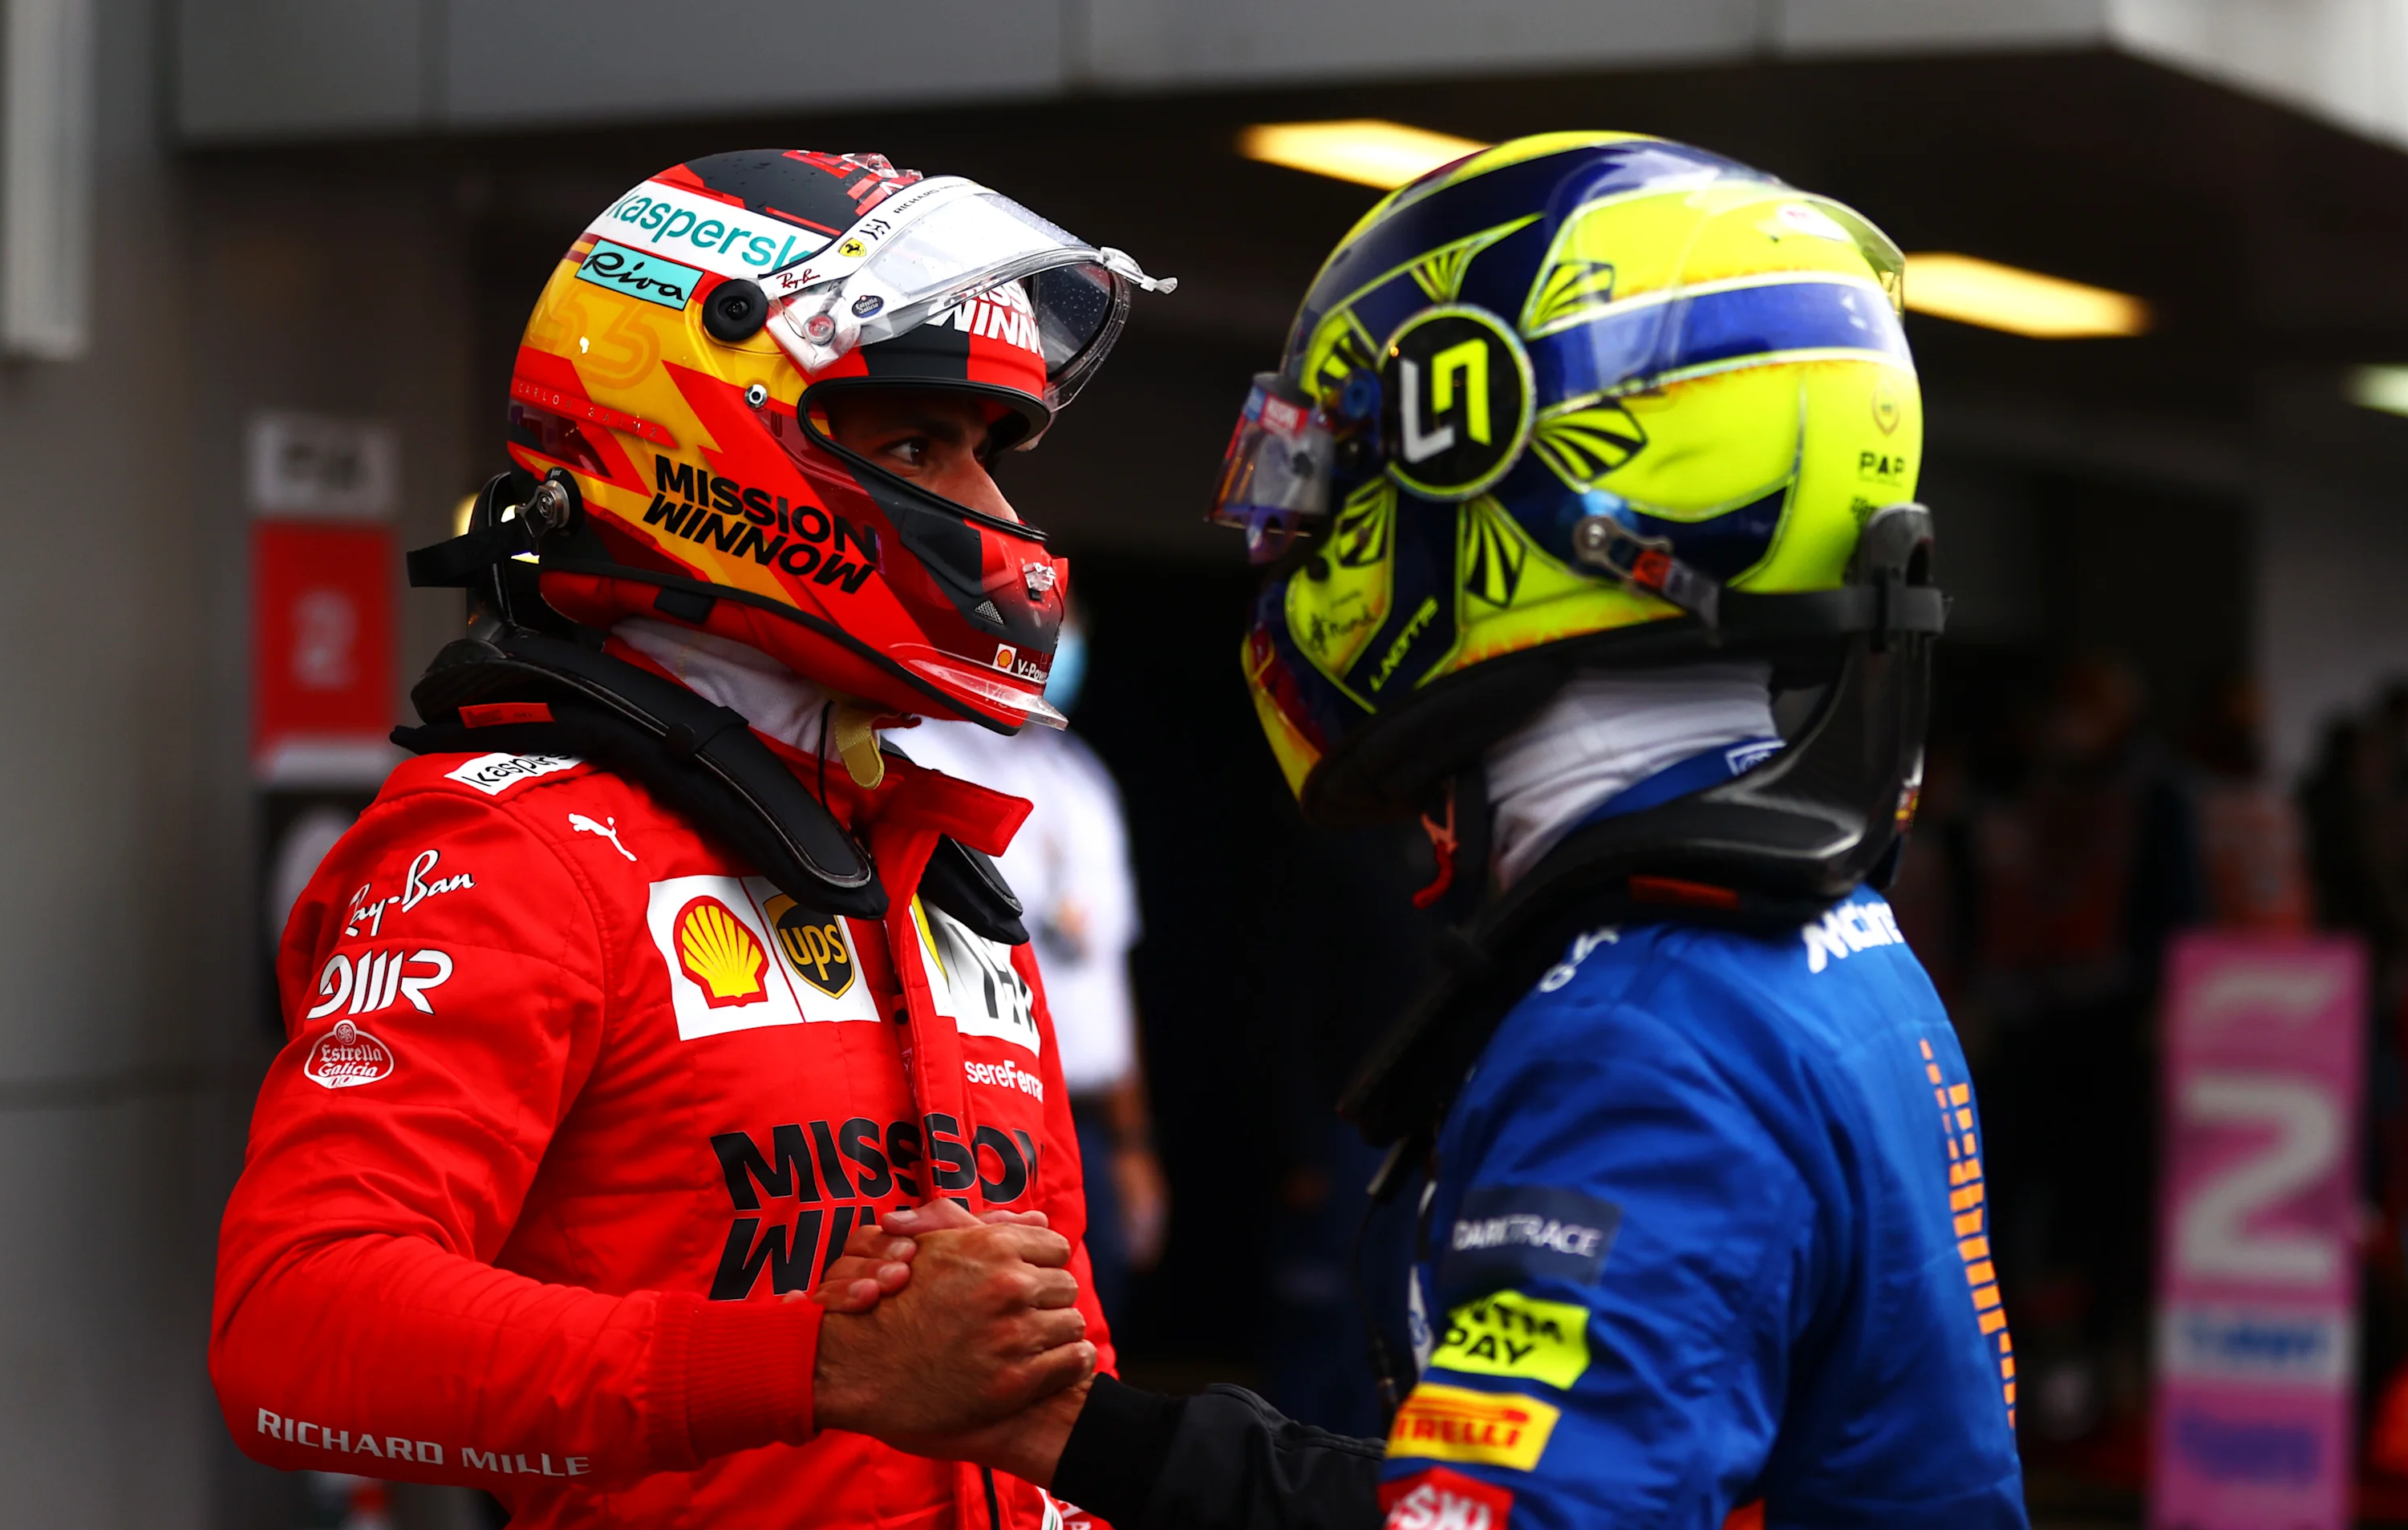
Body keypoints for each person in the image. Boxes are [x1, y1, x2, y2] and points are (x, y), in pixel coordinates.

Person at [823, 133, 2028, 1528]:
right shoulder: (1811, 944)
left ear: (1494, 472)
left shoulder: (1638, 1033)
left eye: (1329, 476)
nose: (1287, 536)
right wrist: (1081, 1430)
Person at [208, 148, 1174, 1528]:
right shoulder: (517, 853)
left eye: (990, 453)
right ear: (701, 446)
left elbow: (1046, 1394)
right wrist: (816, 1364)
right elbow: (293, 1332)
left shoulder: (943, 872)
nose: (998, 520)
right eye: (916, 446)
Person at [899, 615, 1170, 1318]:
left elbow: (1108, 974)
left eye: (1070, 623)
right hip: (980, 1127)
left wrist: (1132, 1142)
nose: (1059, 640)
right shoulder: (916, 751)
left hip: (1087, 1125)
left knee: (1090, 1348)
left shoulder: (1083, 778)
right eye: (1040, 616)